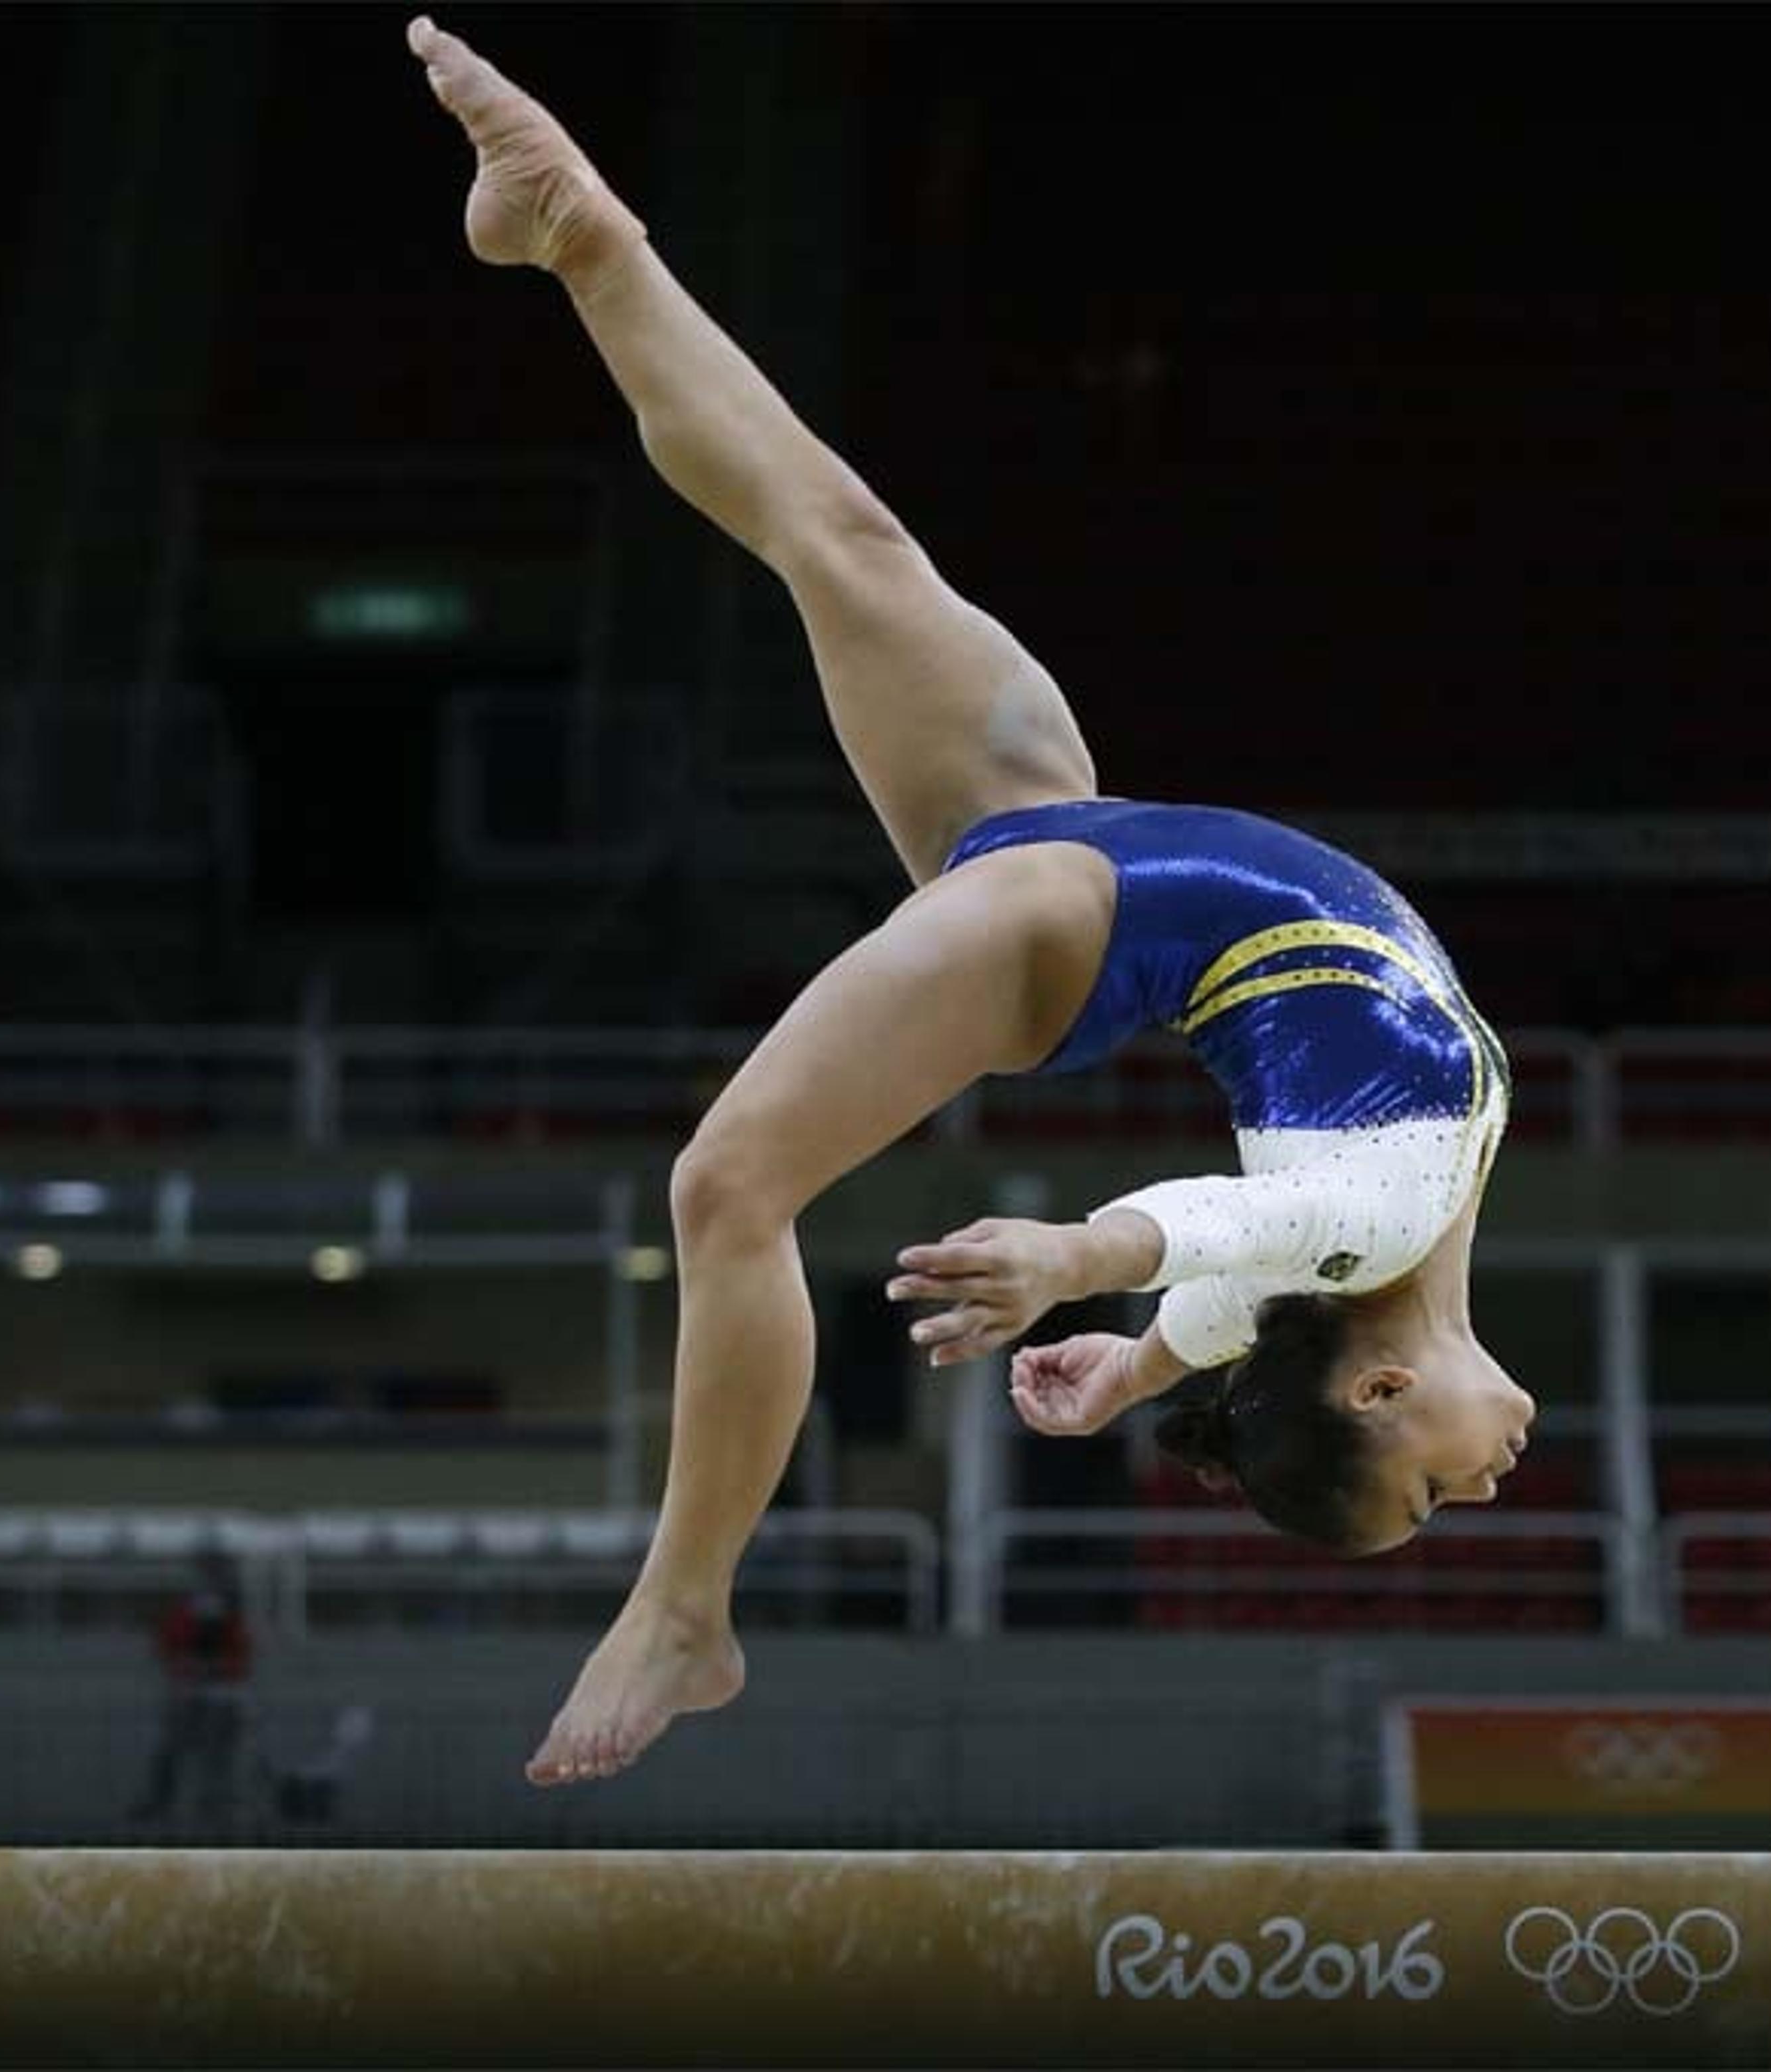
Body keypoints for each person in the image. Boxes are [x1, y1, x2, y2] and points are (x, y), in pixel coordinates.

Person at [406, 17, 1536, 1787]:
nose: (1480, 1488)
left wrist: (1082, 1267)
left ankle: (686, 1606)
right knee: (842, 538)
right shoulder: (1369, 1249)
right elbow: (1246, 1280)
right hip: (1084, 848)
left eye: (1428, 1499)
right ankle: (580, 234)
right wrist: (1138, 1369)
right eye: (1445, 1503)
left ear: (1381, 1395)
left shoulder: (1366, 1232)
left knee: (727, 1187)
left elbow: (1222, 1234)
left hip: (1078, 915)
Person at [127, 1553, 255, 1827]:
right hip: (191, 1689)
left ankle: (215, 1803)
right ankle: (164, 1801)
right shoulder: (186, 1611)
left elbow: (241, 1654)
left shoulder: (231, 1611)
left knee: (217, 1753)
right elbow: (167, 1645)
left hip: (222, 1692)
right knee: (173, 1749)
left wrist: (215, 1669)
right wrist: (187, 1668)